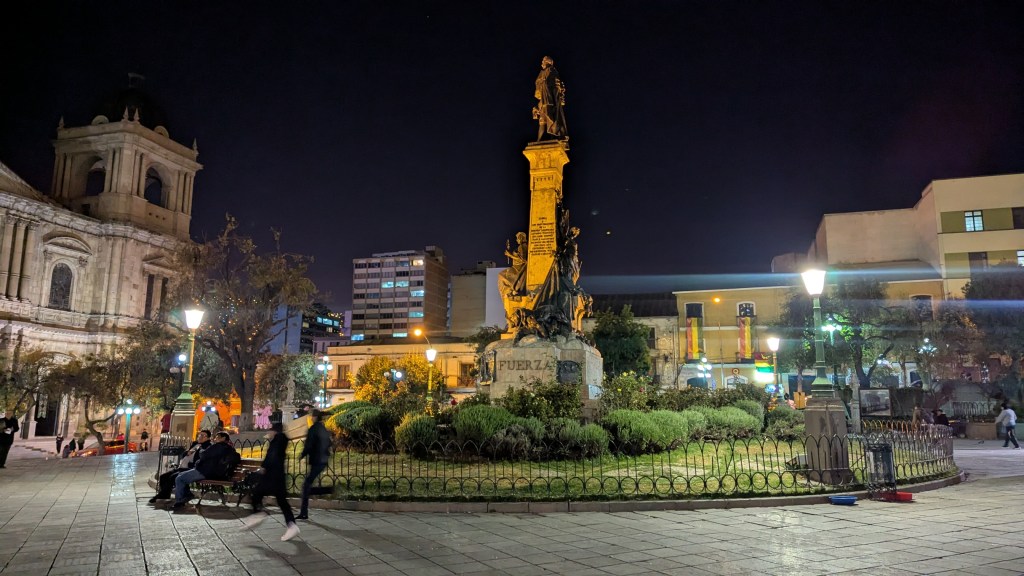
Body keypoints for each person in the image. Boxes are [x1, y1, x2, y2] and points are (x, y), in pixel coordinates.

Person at [242, 422, 300, 541]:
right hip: (278, 476)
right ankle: (291, 525)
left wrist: (264, 467)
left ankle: (258, 514)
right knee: (282, 501)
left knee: (256, 493)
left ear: (274, 431)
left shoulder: (277, 440)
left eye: (270, 430)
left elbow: (272, 456)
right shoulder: (281, 440)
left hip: (271, 475)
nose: (268, 432)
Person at [172, 431, 237, 509]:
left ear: (223, 438)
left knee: (179, 478)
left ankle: (180, 501)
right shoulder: (229, 448)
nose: (215, 438)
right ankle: (185, 496)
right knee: (180, 475)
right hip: (213, 472)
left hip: (206, 472)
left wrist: (201, 452)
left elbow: (203, 455)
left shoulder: (218, 446)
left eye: (217, 437)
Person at [151, 430, 211, 503]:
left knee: (173, 477)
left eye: (203, 435)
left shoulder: (207, 447)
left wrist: (190, 464)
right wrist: (187, 453)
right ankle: (165, 495)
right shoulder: (195, 444)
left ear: (208, 438)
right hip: (182, 467)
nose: (200, 437)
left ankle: (183, 495)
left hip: (191, 468)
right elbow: (184, 454)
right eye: (199, 435)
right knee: (163, 477)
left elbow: (202, 459)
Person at [297, 410, 332, 520]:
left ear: (315, 417)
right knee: (308, 484)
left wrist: (302, 455)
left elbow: (309, 445)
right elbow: (329, 443)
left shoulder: (313, 429)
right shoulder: (323, 429)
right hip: (323, 460)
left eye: (312, 416)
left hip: (317, 460)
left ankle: (304, 513)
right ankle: (324, 491)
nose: (311, 418)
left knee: (306, 485)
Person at [532, 55, 568, 141]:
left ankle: (553, 138)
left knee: (551, 119)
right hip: (543, 101)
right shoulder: (542, 72)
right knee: (542, 122)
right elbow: (538, 85)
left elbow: (556, 86)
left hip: (550, 100)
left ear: (547, 62)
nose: (542, 63)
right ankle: (539, 140)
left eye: (543, 61)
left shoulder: (552, 71)